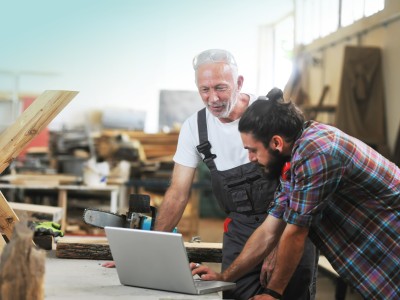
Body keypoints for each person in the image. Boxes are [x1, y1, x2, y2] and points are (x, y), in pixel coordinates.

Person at [192, 87, 400, 299]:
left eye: (253, 150)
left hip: (391, 240)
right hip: (377, 248)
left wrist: (272, 293)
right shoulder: (297, 156)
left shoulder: (317, 152)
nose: (251, 158)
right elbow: (269, 230)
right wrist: (225, 276)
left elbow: (296, 232)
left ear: (276, 143)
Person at [153, 49, 317, 300]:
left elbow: (301, 189)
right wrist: (148, 252)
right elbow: (177, 193)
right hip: (241, 231)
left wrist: (279, 248)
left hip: (290, 224)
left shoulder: (272, 114)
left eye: (220, 88)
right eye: (204, 90)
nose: (212, 98)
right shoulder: (194, 128)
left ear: (239, 83)